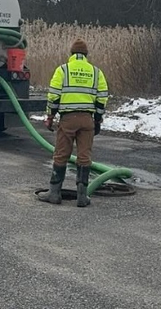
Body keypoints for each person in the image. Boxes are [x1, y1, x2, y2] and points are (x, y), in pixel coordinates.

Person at [39, 38, 109, 207]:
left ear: (71, 54)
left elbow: (54, 96)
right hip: (87, 120)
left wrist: (50, 117)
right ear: (86, 55)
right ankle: (82, 197)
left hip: (68, 119)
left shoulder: (62, 70)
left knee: (61, 154)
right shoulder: (96, 72)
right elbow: (102, 97)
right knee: (84, 157)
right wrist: (97, 119)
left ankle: (54, 194)